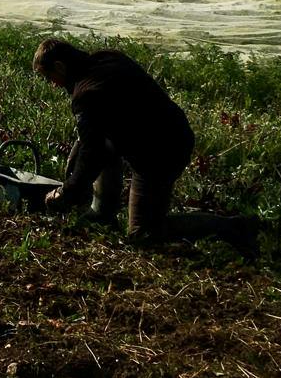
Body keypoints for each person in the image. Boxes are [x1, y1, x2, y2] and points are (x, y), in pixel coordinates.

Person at [32, 38, 256, 256]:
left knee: (143, 233)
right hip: (173, 131)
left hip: (160, 154)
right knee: (95, 144)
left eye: (49, 77)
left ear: (60, 67)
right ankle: (103, 213)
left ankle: (233, 227)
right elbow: (91, 141)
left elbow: (92, 155)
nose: (52, 84)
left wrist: (66, 193)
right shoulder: (108, 57)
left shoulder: (86, 94)